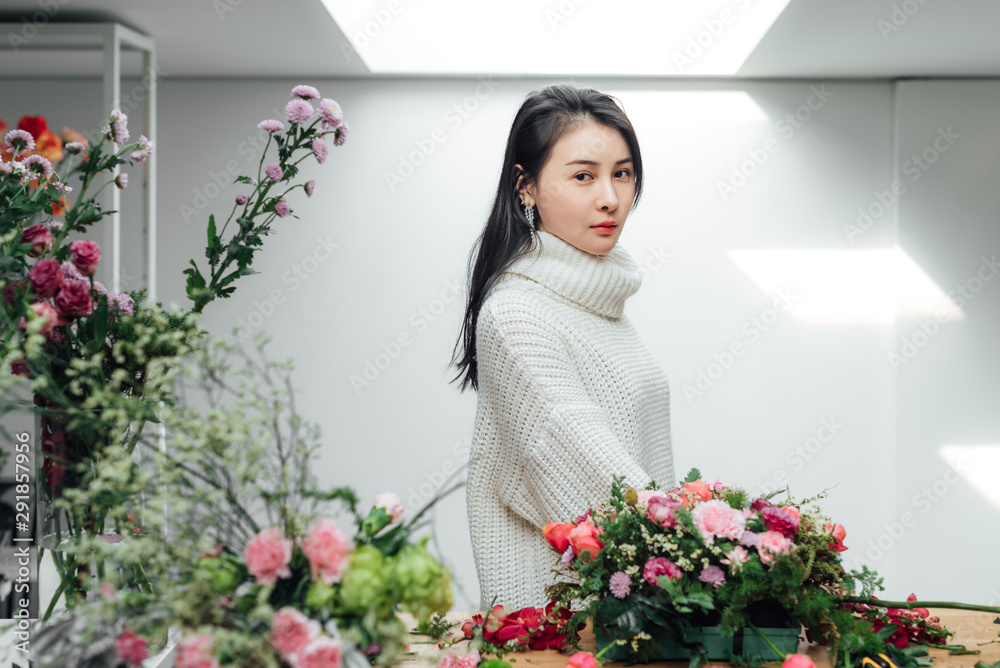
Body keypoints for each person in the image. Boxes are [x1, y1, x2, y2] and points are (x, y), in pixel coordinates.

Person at [449, 83, 675, 610]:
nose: (611, 198)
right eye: (583, 176)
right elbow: (593, 479)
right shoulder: (517, 315)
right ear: (525, 186)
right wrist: (717, 555)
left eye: (622, 173)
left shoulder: (601, 302)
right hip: (563, 631)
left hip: (633, 616)